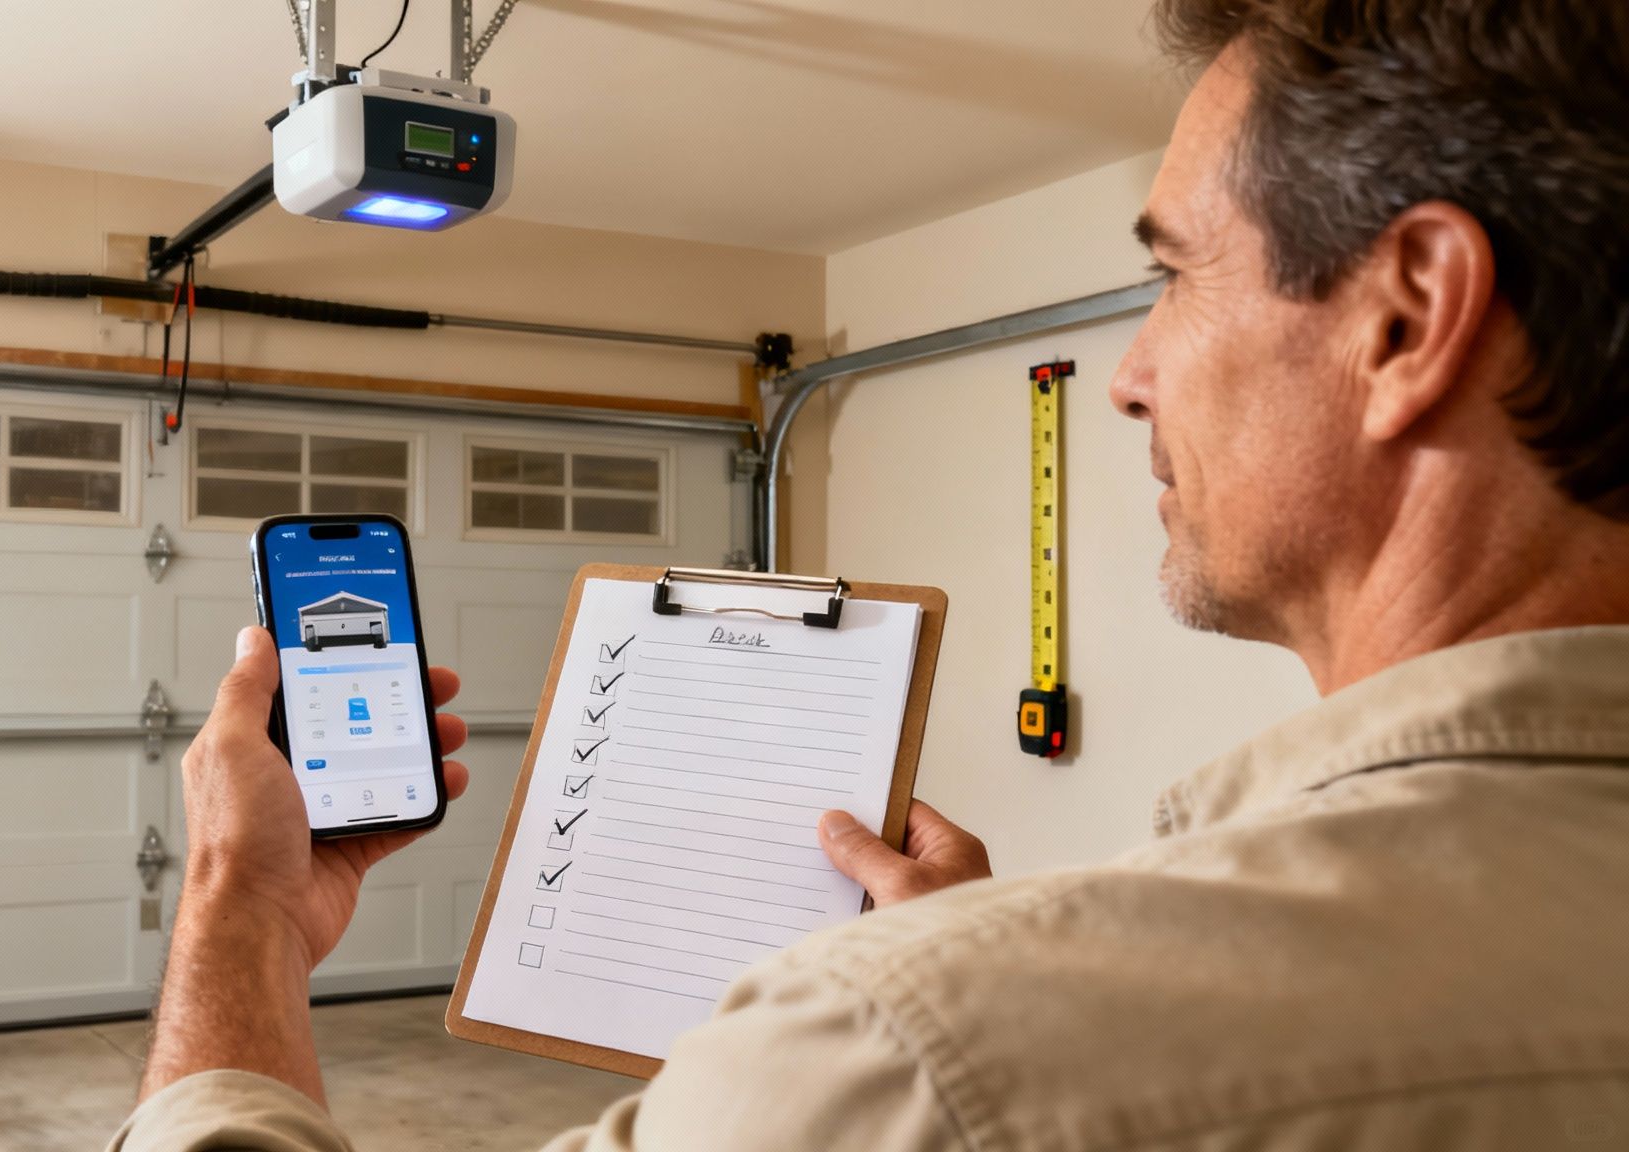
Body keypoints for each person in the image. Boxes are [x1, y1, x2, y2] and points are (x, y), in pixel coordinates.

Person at [111, 1, 1629, 1147]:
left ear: (1410, 316)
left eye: (1170, 275)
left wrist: (244, 909)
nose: (1131, 374)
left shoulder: (920, 1056)